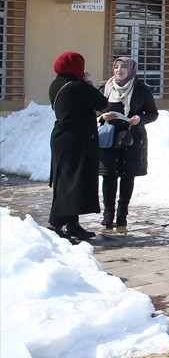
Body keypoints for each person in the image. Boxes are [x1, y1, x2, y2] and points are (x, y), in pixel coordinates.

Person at [48, 51, 108, 242]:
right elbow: (101, 102)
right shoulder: (77, 86)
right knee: (72, 183)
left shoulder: (56, 84)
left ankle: (71, 223)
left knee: (66, 180)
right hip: (76, 140)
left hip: (62, 139)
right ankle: (56, 223)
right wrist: (87, 83)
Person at [95, 56, 159, 234]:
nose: (119, 70)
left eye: (123, 67)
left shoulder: (141, 89)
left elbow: (153, 113)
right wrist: (102, 116)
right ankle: (108, 215)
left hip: (132, 137)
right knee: (109, 176)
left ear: (131, 70)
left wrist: (139, 119)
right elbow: (95, 109)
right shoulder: (104, 88)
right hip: (109, 137)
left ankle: (122, 215)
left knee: (127, 176)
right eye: (116, 67)